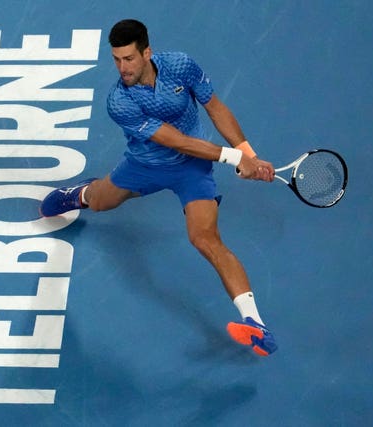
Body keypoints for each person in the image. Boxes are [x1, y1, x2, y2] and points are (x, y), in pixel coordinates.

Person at [40, 19, 277, 356]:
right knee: (101, 201)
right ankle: (78, 194)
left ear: (147, 53)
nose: (122, 68)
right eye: (116, 60)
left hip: (193, 170)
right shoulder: (119, 101)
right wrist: (235, 157)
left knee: (205, 239)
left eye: (129, 59)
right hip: (144, 166)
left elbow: (215, 107)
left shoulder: (180, 66)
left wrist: (250, 155)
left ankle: (254, 323)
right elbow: (177, 141)